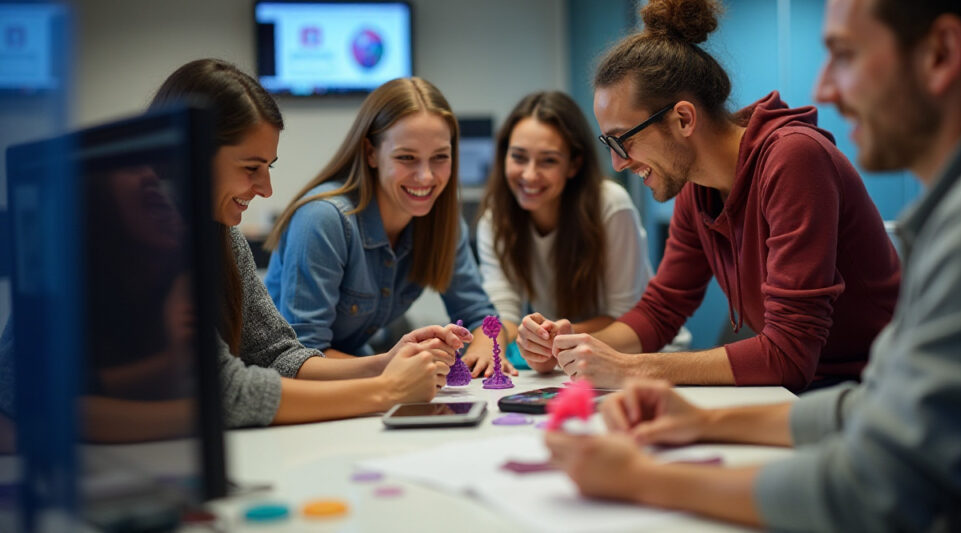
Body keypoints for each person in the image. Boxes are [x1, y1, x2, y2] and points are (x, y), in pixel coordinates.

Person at [546, 0, 961, 529]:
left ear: (943, 53)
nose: (822, 88)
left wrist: (640, 472)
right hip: (827, 401)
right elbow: (873, 408)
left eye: (843, 55)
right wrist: (665, 398)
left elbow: (875, 479)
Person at [517, 0, 901, 391]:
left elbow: (789, 356)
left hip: (872, 391)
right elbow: (662, 309)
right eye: (607, 143)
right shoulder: (697, 187)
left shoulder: (794, 159)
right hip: (804, 392)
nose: (617, 162)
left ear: (683, 119)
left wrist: (631, 369)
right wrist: (571, 350)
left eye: (623, 140)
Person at [151, 59, 468, 428]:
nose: (266, 189)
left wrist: (386, 362)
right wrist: (387, 390)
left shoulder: (222, 234)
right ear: (191, 155)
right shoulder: (149, 239)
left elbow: (278, 354)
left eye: (269, 167)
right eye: (251, 168)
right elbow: (225, 391)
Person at [264, 77, 515, 377]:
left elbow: (481, 317)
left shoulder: (443, 222)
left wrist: (484, 351)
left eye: (440, 157)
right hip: (285, 387)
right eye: (406, 157)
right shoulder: (323, 220)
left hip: (356, 370)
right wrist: (395, 365)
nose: (425, 176)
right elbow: (301, 358)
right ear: (371, 153)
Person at [476, 91, 652, 369]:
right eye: (519, 157)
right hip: (567, 359)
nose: (530, 175)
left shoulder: (611, 205)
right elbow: (505, 310)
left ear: (574, 164)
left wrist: (554, 338)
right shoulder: (494, 220)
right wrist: (491, 339)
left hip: (636, 354)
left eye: (548, 161)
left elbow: (625, 314)